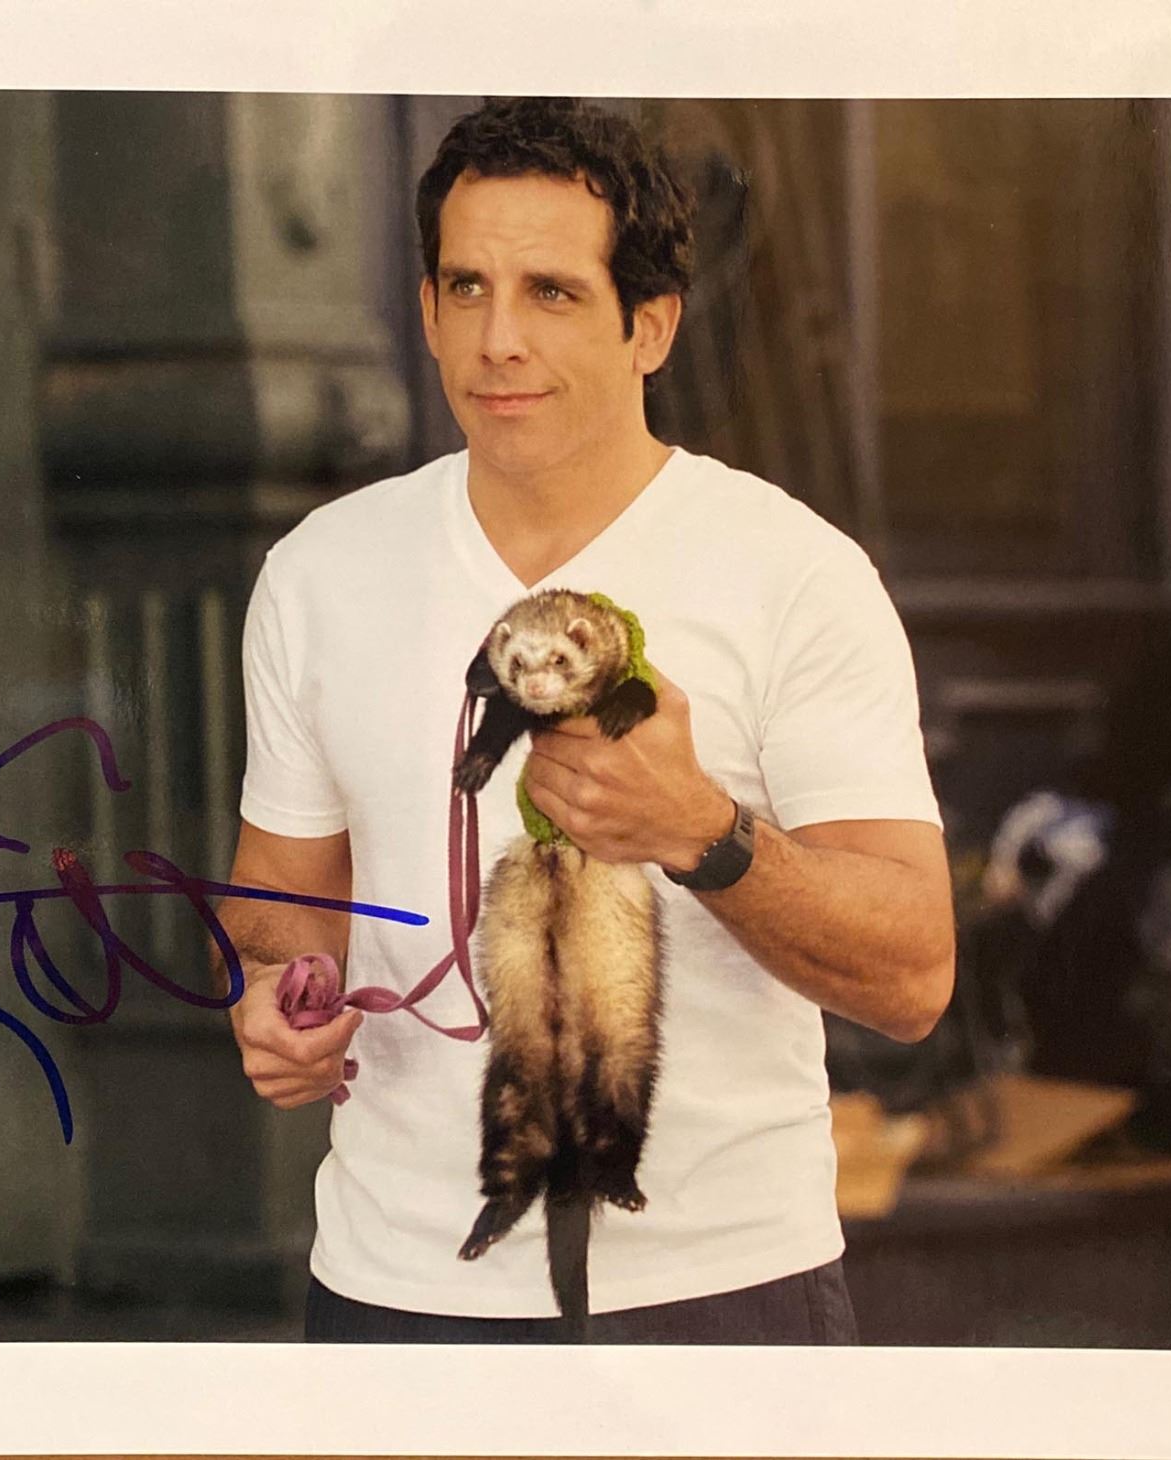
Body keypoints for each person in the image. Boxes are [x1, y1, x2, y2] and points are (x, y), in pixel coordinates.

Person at [222, 97, 954, 1344]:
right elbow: (279, 899)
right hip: (397, 1291)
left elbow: (913, 972)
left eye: (553, 293)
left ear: (649, 326)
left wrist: (703, 830)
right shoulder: (319, 572)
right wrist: (278, 993)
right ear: (425, 310)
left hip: (720, 1297)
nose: (498, 339)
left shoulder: (795, 573)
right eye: (467, 288)